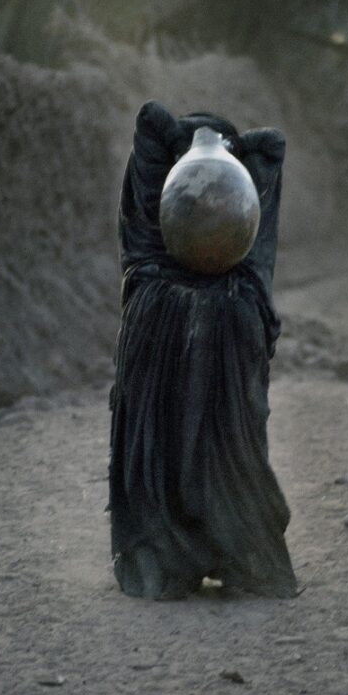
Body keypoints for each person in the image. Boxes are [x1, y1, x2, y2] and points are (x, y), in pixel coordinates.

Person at [108, 100, 297, 600]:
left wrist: (187, 142)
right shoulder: (247, 279)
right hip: (228, 326)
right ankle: (242, 559)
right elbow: (271, 143)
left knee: (159, 445)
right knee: (232, 447)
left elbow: (149, 119)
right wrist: (226, 144)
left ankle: (165, 565)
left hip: (159, 324)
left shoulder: (147, 255)